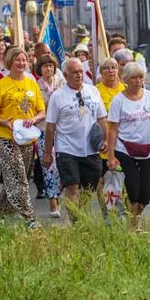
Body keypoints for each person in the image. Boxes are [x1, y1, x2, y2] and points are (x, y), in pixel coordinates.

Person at [0, 47, 47, 227]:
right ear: (10, 62)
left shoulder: (31, 83)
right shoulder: (1, 85)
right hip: (7, 138)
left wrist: (34, 119)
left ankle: (0, 214)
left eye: (24, 60)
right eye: (17, 60)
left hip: (27, 138)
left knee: (19, 177)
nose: (21, 63)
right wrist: (5, 123)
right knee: (18, 176)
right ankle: (29, 217)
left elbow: (42, 111)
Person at [43, 58, 108, 216]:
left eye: (80, 71)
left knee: (89, 189)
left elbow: (101, 118)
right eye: (74, 72)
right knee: (72, 187)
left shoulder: (93, 91)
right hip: (67, 149)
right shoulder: (57, 97)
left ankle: (79, 214)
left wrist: (105, 139)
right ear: (66, 75)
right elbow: (50, 127)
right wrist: (47, 153)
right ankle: (77, 222)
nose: (79, 75)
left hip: (90, 148)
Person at [106, 61, 150, 226]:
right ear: (125, 79)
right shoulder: (118, 101)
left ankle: (133, 215)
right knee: (133, 189)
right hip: (125, 150)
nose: (137, 81)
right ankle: (134, 224)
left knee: (147, 191)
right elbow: (112, 129)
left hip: (147, 150)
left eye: (140, 77)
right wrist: (111, 156)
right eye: (133, 78)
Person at [33, 54, 65, 217]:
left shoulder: (61, 82)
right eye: (45, 66)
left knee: (61, 166)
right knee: (48, 166)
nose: (49, 69)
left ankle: (58, 196)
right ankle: (53, 202)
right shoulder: (35, 85)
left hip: (62, 131)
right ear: (40, 69)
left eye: (51, 66)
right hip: (43, 130)